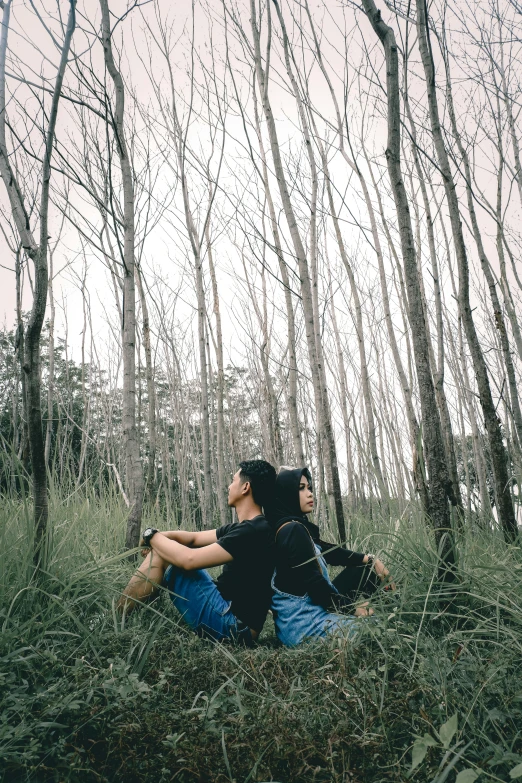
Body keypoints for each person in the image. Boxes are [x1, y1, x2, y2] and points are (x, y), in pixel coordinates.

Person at [118, 460, 277, 646]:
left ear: (245, 487)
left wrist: (151, 535)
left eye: (233, 480)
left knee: (165, 555)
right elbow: (192, 539)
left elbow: (189, 560)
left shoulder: (253, 531)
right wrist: (161, 537)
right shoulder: (246, 528)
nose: (228, 485)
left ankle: (116, 617)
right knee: (165, 550)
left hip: (235, 629)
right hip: (231, 619)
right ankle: (124, 614)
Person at [268, 466, 393, 647]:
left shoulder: (289, 526)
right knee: (384, 626)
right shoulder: (292, 530)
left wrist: (370, 559)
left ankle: (390, 606)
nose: (310, 494)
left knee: (363, 571)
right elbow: (318, 589)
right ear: (286, 493)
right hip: (305, 626)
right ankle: (392, 611)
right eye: (301, 488)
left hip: (296, 622)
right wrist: (355, 610)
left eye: (309, 488)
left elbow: (327, 551)